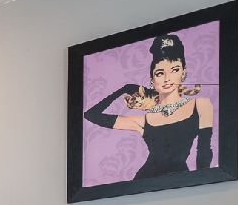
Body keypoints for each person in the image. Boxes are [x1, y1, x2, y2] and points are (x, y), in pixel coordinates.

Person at [84, 33, 215, 180]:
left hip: (179, 181)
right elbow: (91, 115)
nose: (167, 78)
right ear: (152, 80)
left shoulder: (200, 105)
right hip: (143, 182)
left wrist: (202, 182)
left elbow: (204, 151)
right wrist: (123, 89)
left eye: (174, 70)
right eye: (160, 73)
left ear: (183, 73)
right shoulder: (144, 121)